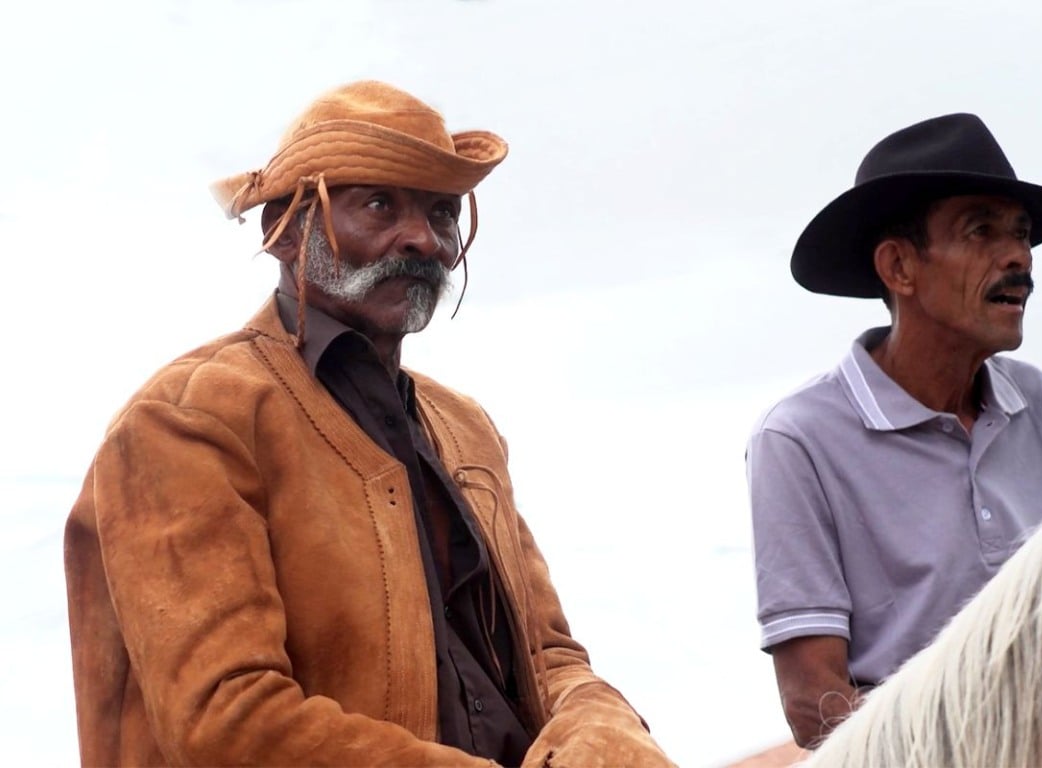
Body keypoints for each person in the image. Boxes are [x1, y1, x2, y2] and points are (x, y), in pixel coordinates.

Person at [64, 80, 674, 768]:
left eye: (442, 213)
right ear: (286, 231)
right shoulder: (190, 418)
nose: (422, 239)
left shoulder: (464, 426)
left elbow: (548, 656)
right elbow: (228, 722)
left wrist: (606, 728)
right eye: (379, 204)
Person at [745, 113, 1042, 748]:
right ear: (899, 268)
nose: (1019, 257)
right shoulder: (799, 439)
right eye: (981, 231)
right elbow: (813, 701)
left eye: (1022, 234)